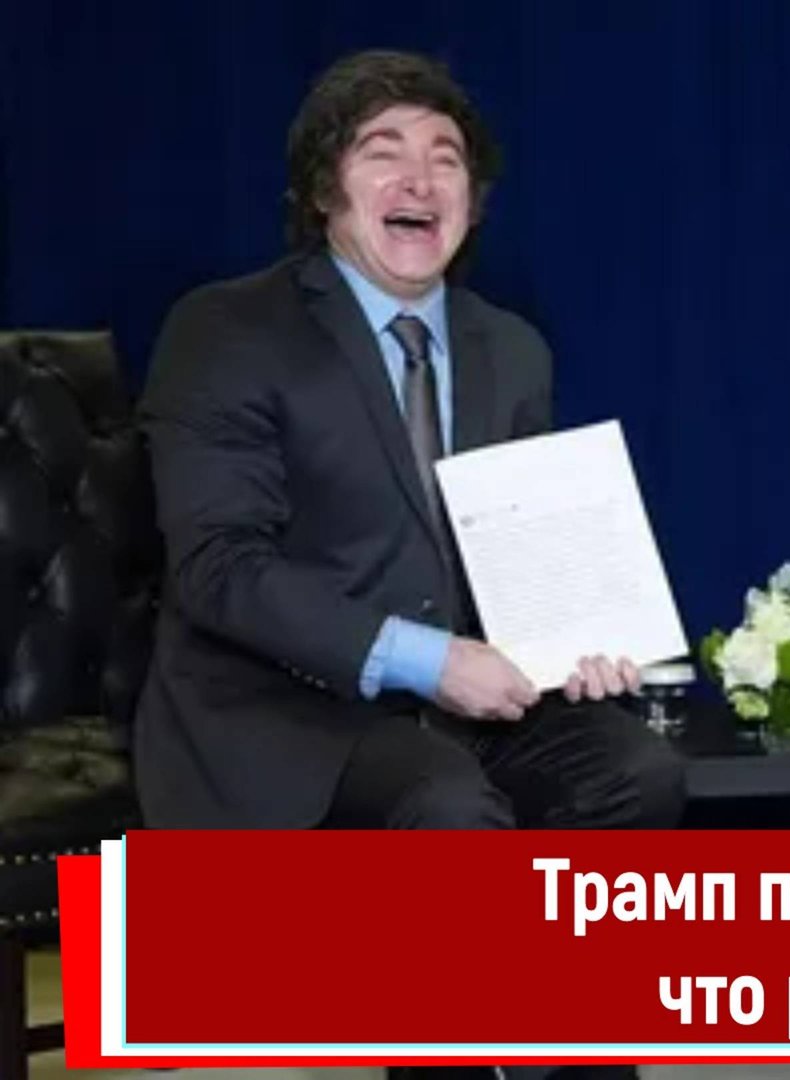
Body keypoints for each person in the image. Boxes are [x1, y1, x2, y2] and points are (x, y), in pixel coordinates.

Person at [136, 49, 684, 833]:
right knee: (446, 805)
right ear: (324, 189)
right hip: (287, 709)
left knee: (637, 774)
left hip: (466, 707)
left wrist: (575, 645)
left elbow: (522, 558)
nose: (419, 183)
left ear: (472, 200)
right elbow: (218, 567)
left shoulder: (513, 348)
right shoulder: (227, 330)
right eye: (382, 154)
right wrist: (429, 661)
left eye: (445, 160)